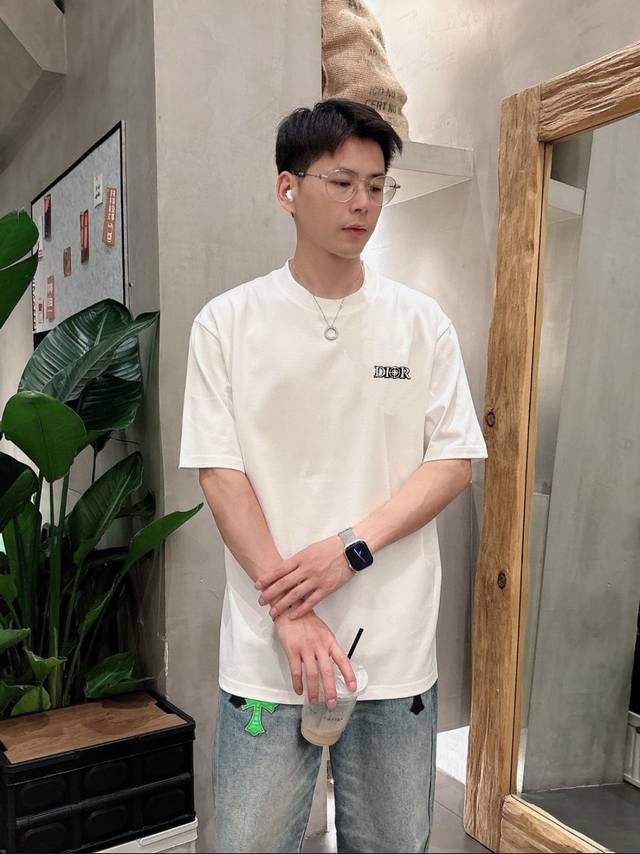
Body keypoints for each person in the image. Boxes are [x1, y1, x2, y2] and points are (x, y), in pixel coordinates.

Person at [178, 97, 488, 853]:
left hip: (394, 652)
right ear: (288, 189)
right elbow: (220, 474)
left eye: (377, 186)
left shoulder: (421, 323)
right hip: (267, 656)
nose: (363, 203)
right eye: (343, 182)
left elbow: (453, 459)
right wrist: (288, 611)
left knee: (393, 843)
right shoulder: (227, 322)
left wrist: (349, 547)